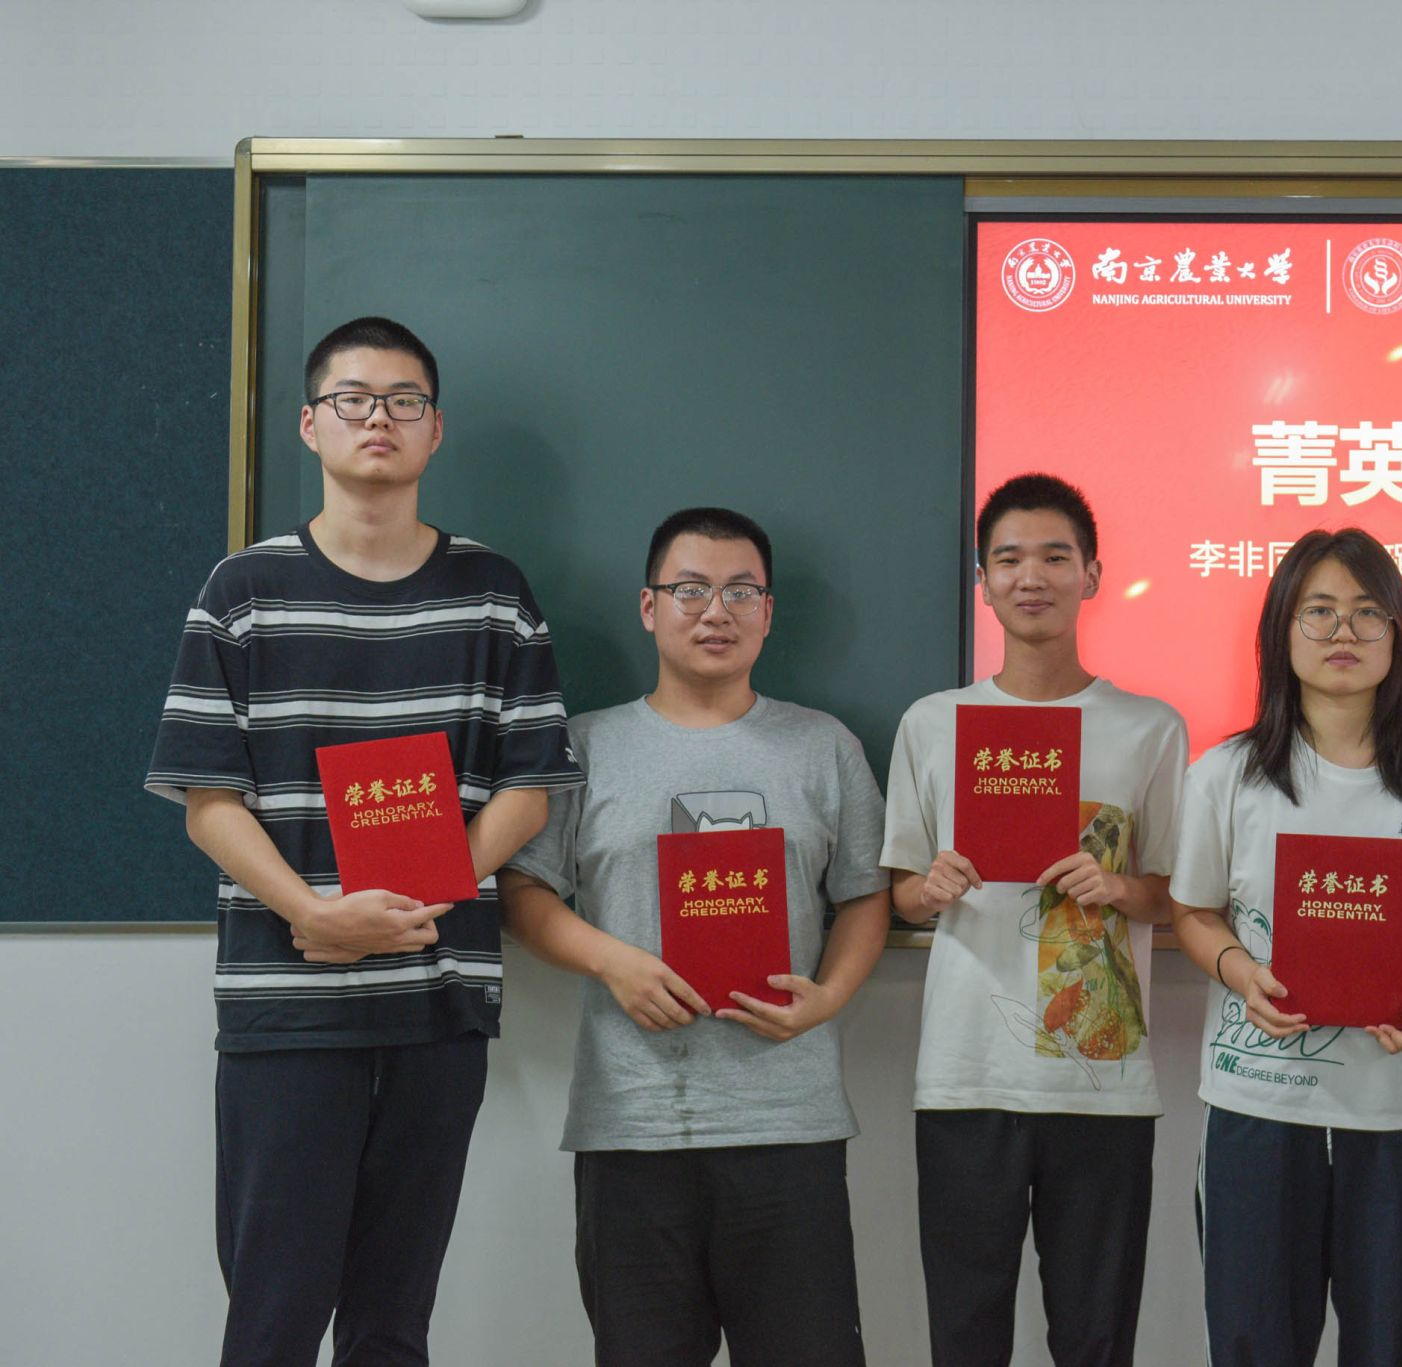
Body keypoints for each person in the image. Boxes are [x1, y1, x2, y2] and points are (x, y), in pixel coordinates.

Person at [145, 316, 582, 1366]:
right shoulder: (241, 591)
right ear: (310, 424)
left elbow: (529, 790)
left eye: (403, 400)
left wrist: (411, 899)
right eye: (353, 398)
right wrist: (316, 913)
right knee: (272, 1319)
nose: (377, 418)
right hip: (286, 1004)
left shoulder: (494, 592)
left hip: (437, 1001)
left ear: (436, 428)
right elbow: (207, 799)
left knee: (393, 1323)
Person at [498, 506, 888, 1367]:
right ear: (649, 606)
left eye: (742, 591)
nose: (717, 611)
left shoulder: (823, 747)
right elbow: (524, 893)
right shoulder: (584, 746)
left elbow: (867, 894)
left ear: (769, 612)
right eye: (691, 589)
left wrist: (829, 996)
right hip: (632, 1124)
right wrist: (614, 961)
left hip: (788, 1123)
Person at [883, 473, 1187, 1367]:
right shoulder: (934, 723)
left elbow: (1175, 894)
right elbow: (898, 893)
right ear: (982, 582)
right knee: (964, 1332)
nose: (1032, 576)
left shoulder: (1150, 727)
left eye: (1056, 556)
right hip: (966, 1073)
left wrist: (1118, 887)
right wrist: (931, 887)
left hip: (1102, 1078)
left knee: (1096, 1336)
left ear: (1092, 575)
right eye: (1009, 558)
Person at [1169, 529, 1402, 1367]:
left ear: (1397, 634)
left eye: (1366, 612)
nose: (1343, 631)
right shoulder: (1226, 773)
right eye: (1318, 611)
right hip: (1261, 1106)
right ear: (1281, 629)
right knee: (1254, 1344)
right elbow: (1192, 910)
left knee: (1400, 1346)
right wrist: (1241, 972)